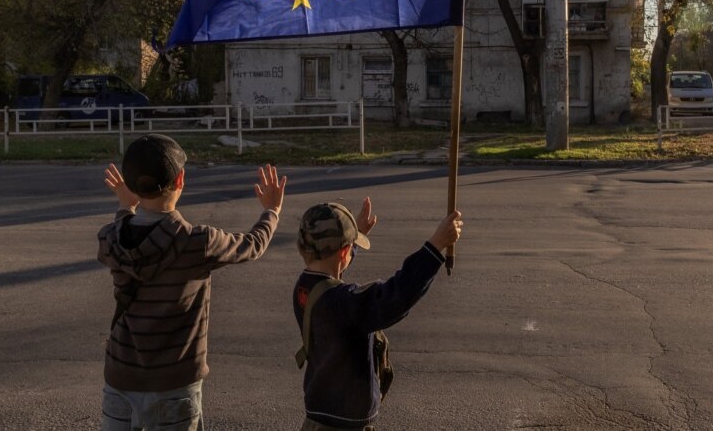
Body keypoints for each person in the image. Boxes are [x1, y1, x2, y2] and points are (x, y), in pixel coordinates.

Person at [97, 133, 286, 431]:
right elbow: (253, 245)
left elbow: (123, 221)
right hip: (175, 385)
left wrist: (126, 205)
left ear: (132, 186)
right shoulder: (199, 242)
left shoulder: (110, 239)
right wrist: (271, 211)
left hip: (120, 380)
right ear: (181, 179)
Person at [293, 197, 463, 431]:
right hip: (344, 425)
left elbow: (330, 272)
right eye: (349, 249)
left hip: (318, 417)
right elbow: (396, 294)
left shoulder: (305, 288)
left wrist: (351, 239)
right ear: (343, 253)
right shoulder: (345, 303)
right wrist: (434, 246)